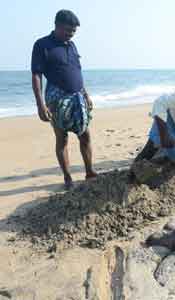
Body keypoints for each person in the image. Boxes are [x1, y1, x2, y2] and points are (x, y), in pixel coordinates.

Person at [31, 10, 97, 189]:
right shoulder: (42, 45)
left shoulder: (72, 45)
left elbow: (76, 71)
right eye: (68, 30)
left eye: (74, 31)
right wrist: (40, 105)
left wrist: (86, 94)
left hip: (78, 96)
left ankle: (90, 172)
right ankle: (68, 178)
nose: (71, 34)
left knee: (85, 135)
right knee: (62, 139)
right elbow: (36, 75)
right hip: (56, 99)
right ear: (57, 25)